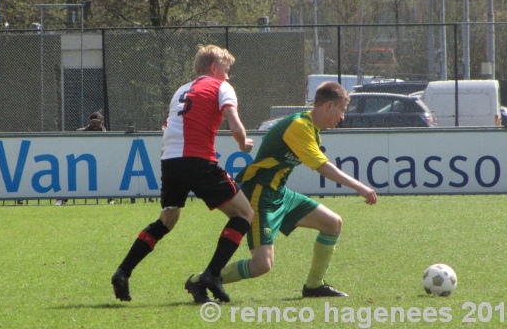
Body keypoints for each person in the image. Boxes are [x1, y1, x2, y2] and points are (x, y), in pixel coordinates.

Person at [186, 81, 378, 299]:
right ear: (329, 106)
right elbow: (323, 167)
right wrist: (360, 187)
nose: (343, 116)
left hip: (280, 194)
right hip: (260, 194)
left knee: (333, 224)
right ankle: (200, 280)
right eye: (342, 110)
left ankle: (314, 286)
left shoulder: (311, 129)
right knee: (262, 265)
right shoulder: (299, 126)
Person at [111, 44, 255, 303]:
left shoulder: (180, 90)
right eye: (226, 69)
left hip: (170, 162)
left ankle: (123, 271)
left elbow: (169, 125)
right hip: (198, 161)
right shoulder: (221, 87)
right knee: (244, 213)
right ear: (214, 68)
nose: (228, 76)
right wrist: (243, 144)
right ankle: (212, 275)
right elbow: (234, 123)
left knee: (167, 220)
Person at [56, 111, 107, 206]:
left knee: (108, 175)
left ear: (102, 123)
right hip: (81, 163)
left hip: (101, 164)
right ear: (89, 122)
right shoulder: (80, 132)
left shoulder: (108, 136)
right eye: (93, 123)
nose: (95, 125)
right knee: (69, 175)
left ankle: (111, 199)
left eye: (97, 123)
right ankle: (62, 199)